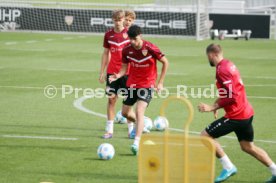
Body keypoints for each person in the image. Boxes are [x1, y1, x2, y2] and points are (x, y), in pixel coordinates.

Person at [198, 43, 276, 183]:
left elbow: (232, 95)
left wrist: (212, 107)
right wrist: (217, 106)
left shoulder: (222, 70)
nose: (208, 59)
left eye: (207, 57)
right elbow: (229, 91)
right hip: (246, 112)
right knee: (248, 146)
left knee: (205, 136)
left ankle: (228, 167)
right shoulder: (228, 64)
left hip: (236, 116)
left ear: (212, 55)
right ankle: (275, 171)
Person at [109, 25, 169, 155]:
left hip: (147, 85)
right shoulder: (126, 50)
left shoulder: (150, 48)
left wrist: (161, 82)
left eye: (135, 39)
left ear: (140, 36)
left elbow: (165, 62)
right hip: (132, 84)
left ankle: (136, 142)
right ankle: (143, 123)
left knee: (139, 110)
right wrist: (118, 75)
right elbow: (124, 68)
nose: (132, 42)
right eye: (130, 39)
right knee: (125, 113)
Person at [99, 9, 131, 139]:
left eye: (120, 20)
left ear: (124, 19)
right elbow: (106, 53)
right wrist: (102, 71)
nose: (118, 22)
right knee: (111, 100)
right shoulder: (108, 35)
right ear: (112, 20)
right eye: (116, 20)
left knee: (128, 102)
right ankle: (109, 130)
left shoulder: (130, 34)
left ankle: (131, 130)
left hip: (128, 72)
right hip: (112, 73)